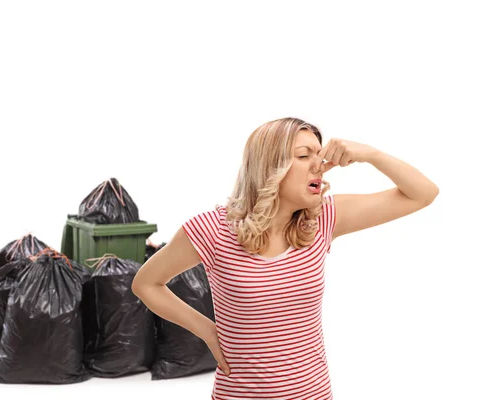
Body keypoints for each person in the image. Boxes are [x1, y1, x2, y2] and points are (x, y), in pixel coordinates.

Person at [131, 117, 439, 400]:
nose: (319, 165)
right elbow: (147, 283)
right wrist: (208, 331)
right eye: (304, 156)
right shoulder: (212, 229)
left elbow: (422, 193)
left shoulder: (323, 220)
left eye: (320, 155)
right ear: (269, 166)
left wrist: (371, 154)